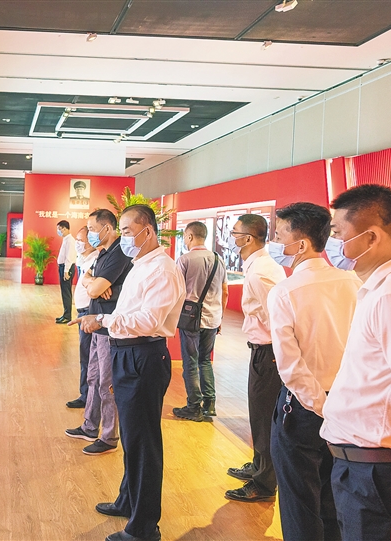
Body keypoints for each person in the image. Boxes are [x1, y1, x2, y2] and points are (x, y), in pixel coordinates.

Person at [72, 204, 185, 541]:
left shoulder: (162, 270)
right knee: (133, 439)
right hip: (128, 352)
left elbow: (148, 321)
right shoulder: (141, 265)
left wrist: (102, 319)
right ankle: (128, 500)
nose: (122, 238)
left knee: (143, 443)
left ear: (147, 231)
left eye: (126, 231)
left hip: (143, 356)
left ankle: (144, 526)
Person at [320, 185, 391, 541]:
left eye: (338, 234)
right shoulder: (382, 289)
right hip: (360, 466)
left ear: (371, 237)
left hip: (374, 471)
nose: (334, 244)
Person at [267, 202, 361, 540]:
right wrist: (335, 406)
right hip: (346, 406)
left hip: (304, 408)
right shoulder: (353, 283)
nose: (275, 244)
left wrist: (320, 405)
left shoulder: (284, 291)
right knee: (333, 496)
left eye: (280, 236)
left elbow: (290, 366)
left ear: (302, 244)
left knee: (299, 502)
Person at [224, 214, 287, 502]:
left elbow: (278, 320)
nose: (231, 238)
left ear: (247, 238)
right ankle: (259, 465)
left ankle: (264, 483)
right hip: (262, 350)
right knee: (257, 413)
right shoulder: (258, 266)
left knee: (264, 418)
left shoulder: (261, 272)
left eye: (234, 233)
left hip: (269, 352)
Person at [64, 209, 132, 455]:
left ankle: (109, 436)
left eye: (92, 229)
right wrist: (92, 281)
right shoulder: (103, 253)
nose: (90, 234)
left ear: (107, 228)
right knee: (93, 377)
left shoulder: (120, 253)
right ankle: (89, 426)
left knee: (106, 382)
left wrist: (94, 285)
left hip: (108, 326)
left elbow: (93, 290)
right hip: (95, 323)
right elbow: (87, 278)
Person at [172, 221, 228, 422]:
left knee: (190, 362)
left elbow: (176, 291)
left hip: (190, 319)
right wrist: (220, 317)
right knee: (205, 361)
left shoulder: (185, 260)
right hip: (213, 318)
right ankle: (210, 404)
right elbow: (225, 291)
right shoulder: (218, 259)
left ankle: (193, 406)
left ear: (189, 236)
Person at [66, 226, 100, 409]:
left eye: (81, 240)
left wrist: (89, 281)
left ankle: (87, 395)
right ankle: (86, 393)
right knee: (85, 354)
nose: (78, 243)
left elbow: (94, 284)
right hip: (83, 311)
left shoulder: (95, 260)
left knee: (88, 356)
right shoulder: (83, 259)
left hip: (88, 312)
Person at [56, 220, 77, 323]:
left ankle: (67, 316)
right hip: (63, 267)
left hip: (66, 268)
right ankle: (65, 314)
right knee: (64, 291)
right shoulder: (66, 239)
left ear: (64, 228)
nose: (58, 231)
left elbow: (70, 257)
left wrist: (66, 271)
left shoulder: (70, 241)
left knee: (66, 292)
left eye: (59, 229)